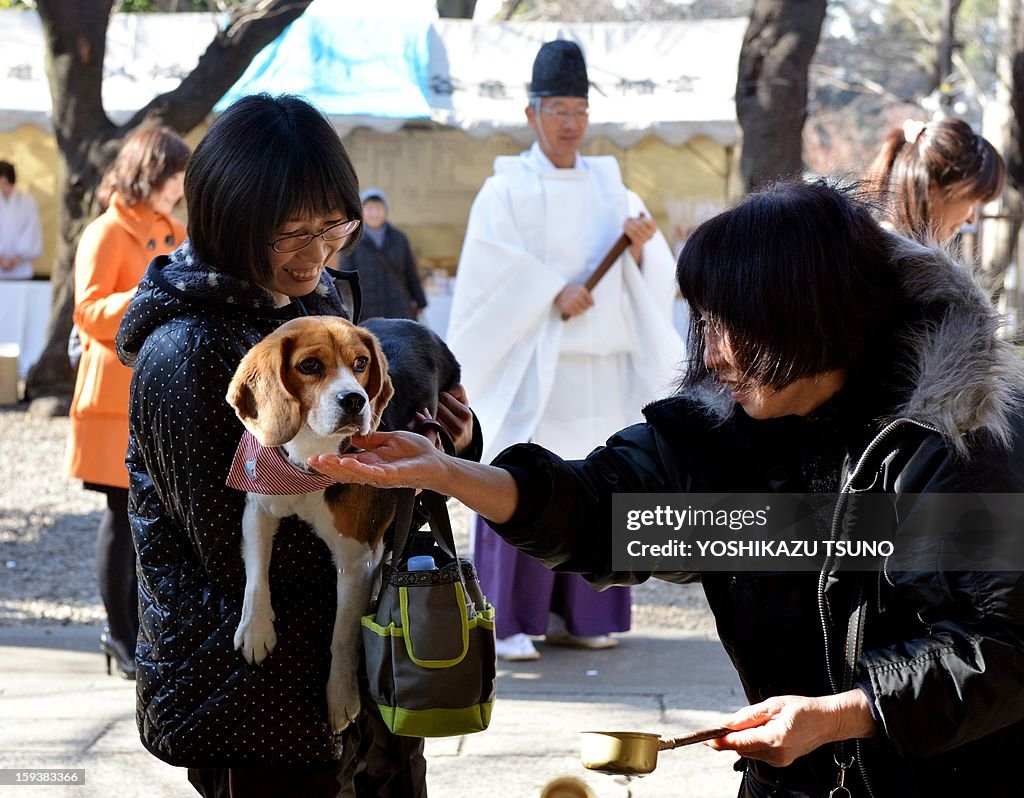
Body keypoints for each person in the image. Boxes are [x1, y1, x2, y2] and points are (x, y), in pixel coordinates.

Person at [310, 179, 1024, 797]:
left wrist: (845, 713)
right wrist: (450, 472)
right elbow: (600, 513)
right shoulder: (724, 435)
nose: (712, 353)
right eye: (704, 323)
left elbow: (1004, 646)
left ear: (806, 319)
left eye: (733, 327)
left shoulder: (951, 441)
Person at [115, 94, 478, 798]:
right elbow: (235, 547)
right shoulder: (186, 353)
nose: (315, 255)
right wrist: (375, 497)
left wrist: (441, 439)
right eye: (290, 235)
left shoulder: (311, 306)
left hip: (360, 677)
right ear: (232, 220)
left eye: (331, 229)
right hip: (253, 698)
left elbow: (367, 429)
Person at [448, 39, 682, 661]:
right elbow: (490, 276)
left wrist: (639, 247)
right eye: (558, 109)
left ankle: (588, 612)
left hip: (600, 371)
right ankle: (512, 619)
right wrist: (551, 292)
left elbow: (657, 273)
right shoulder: (504, 189)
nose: (570, 122)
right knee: (521, 476)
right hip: (534, 367)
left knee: (602, 478)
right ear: (532, 115)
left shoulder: (613, 186)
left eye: (579, 109)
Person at [64, 126, 189, 679]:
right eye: (174, 179)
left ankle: (142, 631)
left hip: (155, 393)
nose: (179, 190)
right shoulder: (107, 231)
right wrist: (150, 291)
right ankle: (119, 636)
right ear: (151, 172)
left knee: (150, 516)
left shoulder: (176, 231)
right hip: (114, 394)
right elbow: (87, 312)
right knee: (121, 513)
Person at [866, 116, 1005, 243]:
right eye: (972, 201)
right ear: (932, 187)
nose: (972, 219)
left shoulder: (871, 249)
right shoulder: (879, 262)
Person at [338, 188, 428, 320]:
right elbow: (345, 278)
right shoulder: (352, 240)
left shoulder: (399, 238)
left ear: (385, 211)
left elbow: (410, 272)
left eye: (378, 208)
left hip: (398, 308)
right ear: (361, 211)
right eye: (369, 208)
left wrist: (420, 301)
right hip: (366, 310)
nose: (374, 213)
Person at [0, 160, 43, 280]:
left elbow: (31, 229)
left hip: (21, 267)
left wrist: (18, 258)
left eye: (4, 183)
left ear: (11, 181)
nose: (1, 187)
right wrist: (1, 258)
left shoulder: (28, 202)